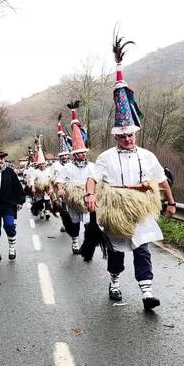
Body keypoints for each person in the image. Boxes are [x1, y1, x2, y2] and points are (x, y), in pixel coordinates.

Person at [84, 36, 176, 310]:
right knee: (116, 253)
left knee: (142, 250)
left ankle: (147, 293)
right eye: (123, 136)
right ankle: (114, 281)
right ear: (116, 137)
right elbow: (93, 178)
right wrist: (90, 194)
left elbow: (160, 179)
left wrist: (170, 202)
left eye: (131, 135)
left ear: (135, 133)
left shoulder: (147, 156)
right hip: (116, 210)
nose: (128, 139)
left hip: (142, 208)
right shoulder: (105, 158)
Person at [55, 109, 94, 256]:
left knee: (89, 223)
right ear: (74, 154)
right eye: (79, 153)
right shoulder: (68, 167)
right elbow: (59, 180)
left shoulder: (92, 166)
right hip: (73, 199)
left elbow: (96, 179)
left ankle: (88, 243)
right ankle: (75, 240)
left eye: (83, 152)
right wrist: (61, 189)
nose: (82, 154)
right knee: (75, 222)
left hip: (88, 197)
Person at [29, 145, 53, 220]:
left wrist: (51, 187)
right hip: (38, 188)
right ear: (38, 165)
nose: (42, 166)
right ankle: (41, 211)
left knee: (47, 200)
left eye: (43, 164)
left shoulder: (49, 170)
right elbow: (32, 180)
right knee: (39, 201)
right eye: (40, 164)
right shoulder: (35, 172)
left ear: (45, 164)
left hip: (46, 187)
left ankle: (47, 211)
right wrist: (33, 187)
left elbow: (51, 179)